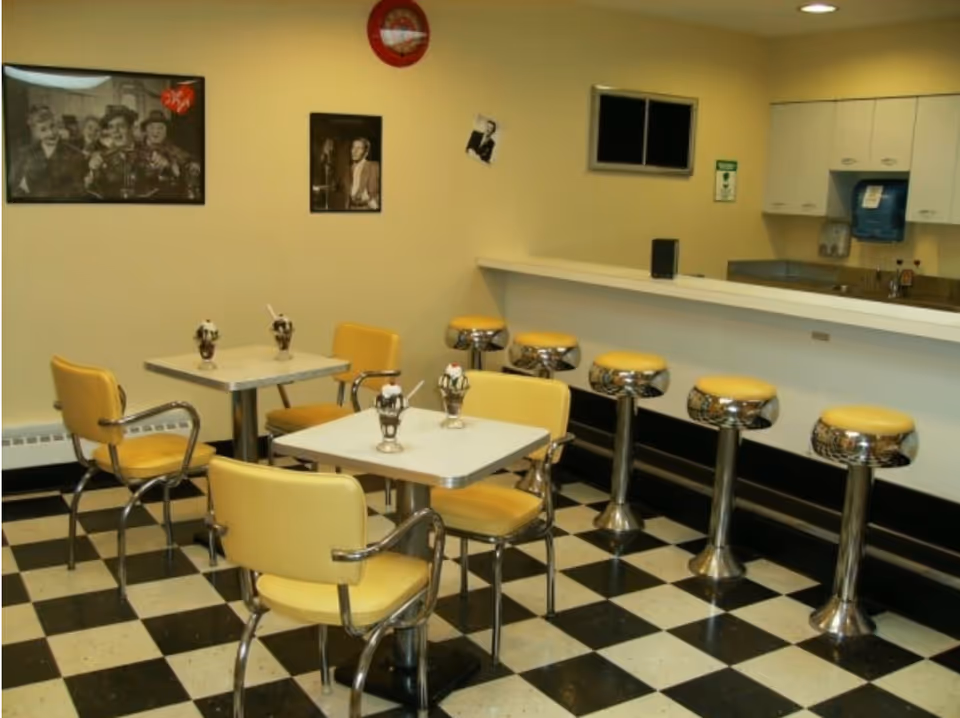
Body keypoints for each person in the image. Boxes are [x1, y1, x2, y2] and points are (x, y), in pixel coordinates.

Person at [9, 105, 86, 198]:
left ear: (57, 124)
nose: (51, 133)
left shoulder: (75, 154)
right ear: (35, 132)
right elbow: (13, 187)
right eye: (43, 129)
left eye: (52, 126)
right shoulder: (26, 154)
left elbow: (80, 191)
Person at [86, 105, 151, 199]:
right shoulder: (101, 158)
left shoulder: (150, 154)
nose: (115, 131)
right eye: (111, 127)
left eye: (120, 126)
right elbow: (95, 192)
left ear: (131, 128)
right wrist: (92, 172)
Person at [138, 109, 201, 199]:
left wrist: (191, 166)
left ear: (166, 131)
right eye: (151, 127)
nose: (156, 132)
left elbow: (189, 160)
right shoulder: (136, 147)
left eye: (161, 128)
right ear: (145, 130)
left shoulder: (172, 149)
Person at [343, 137, 380, 210]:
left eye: (359, 148)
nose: (355, 151)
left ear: (366, 153)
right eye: (353, 147)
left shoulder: (373, 166)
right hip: (351, 208)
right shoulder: (347, 169)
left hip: (367, 208)